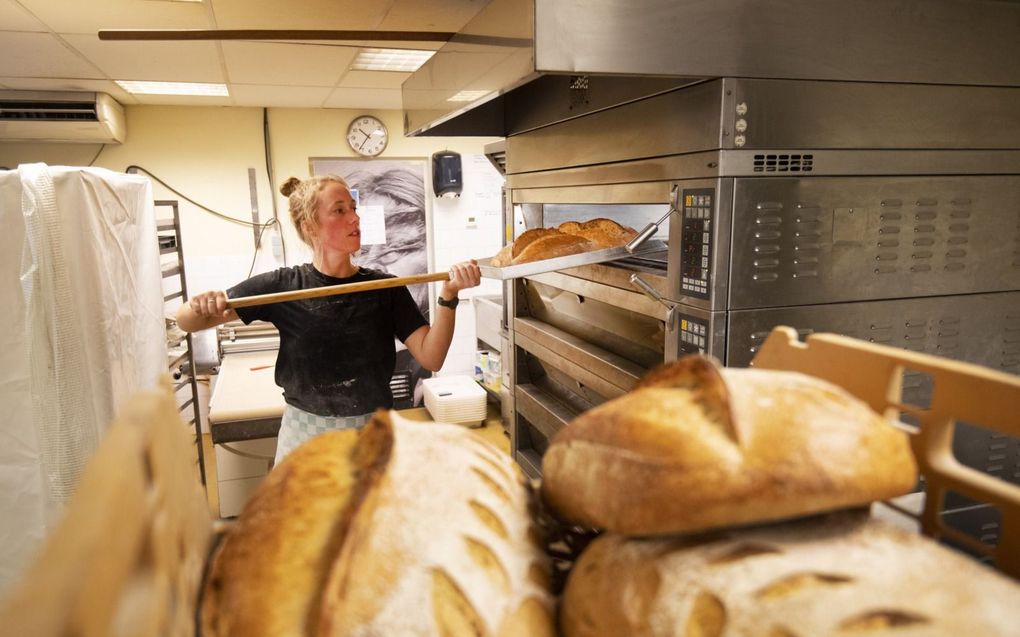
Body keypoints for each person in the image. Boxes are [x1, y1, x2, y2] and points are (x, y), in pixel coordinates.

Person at [176, 174, 480, 464]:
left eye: (353, 208)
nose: (355, 218)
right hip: (306, 437)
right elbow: (187, 322)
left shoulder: (384, 288)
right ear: (310, 226)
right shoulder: (284, 287)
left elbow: (432, 356)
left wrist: (449, 295)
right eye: (339, 210)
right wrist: (200, 304)